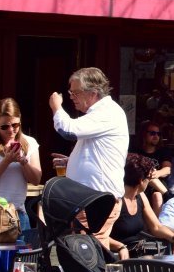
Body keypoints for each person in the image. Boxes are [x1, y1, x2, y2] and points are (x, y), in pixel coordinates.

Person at [49, 67, 129, 200]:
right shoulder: (100, 113)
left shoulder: (107, 112)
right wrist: (73, 161)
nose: (71, 97)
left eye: (76, 93)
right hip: (90, 197)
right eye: (71, 92)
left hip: (98, 198)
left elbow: (67, 130)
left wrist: (56, 106)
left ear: (93, 93)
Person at [98, 153, 174, 258]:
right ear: (141, 181)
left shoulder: (140, 196)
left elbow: (156, 227)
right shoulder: (115, 200)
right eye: (149, 178)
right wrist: (120, 247)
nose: (149, 182)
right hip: (117, 255)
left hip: (138, 251)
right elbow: (99, 235)